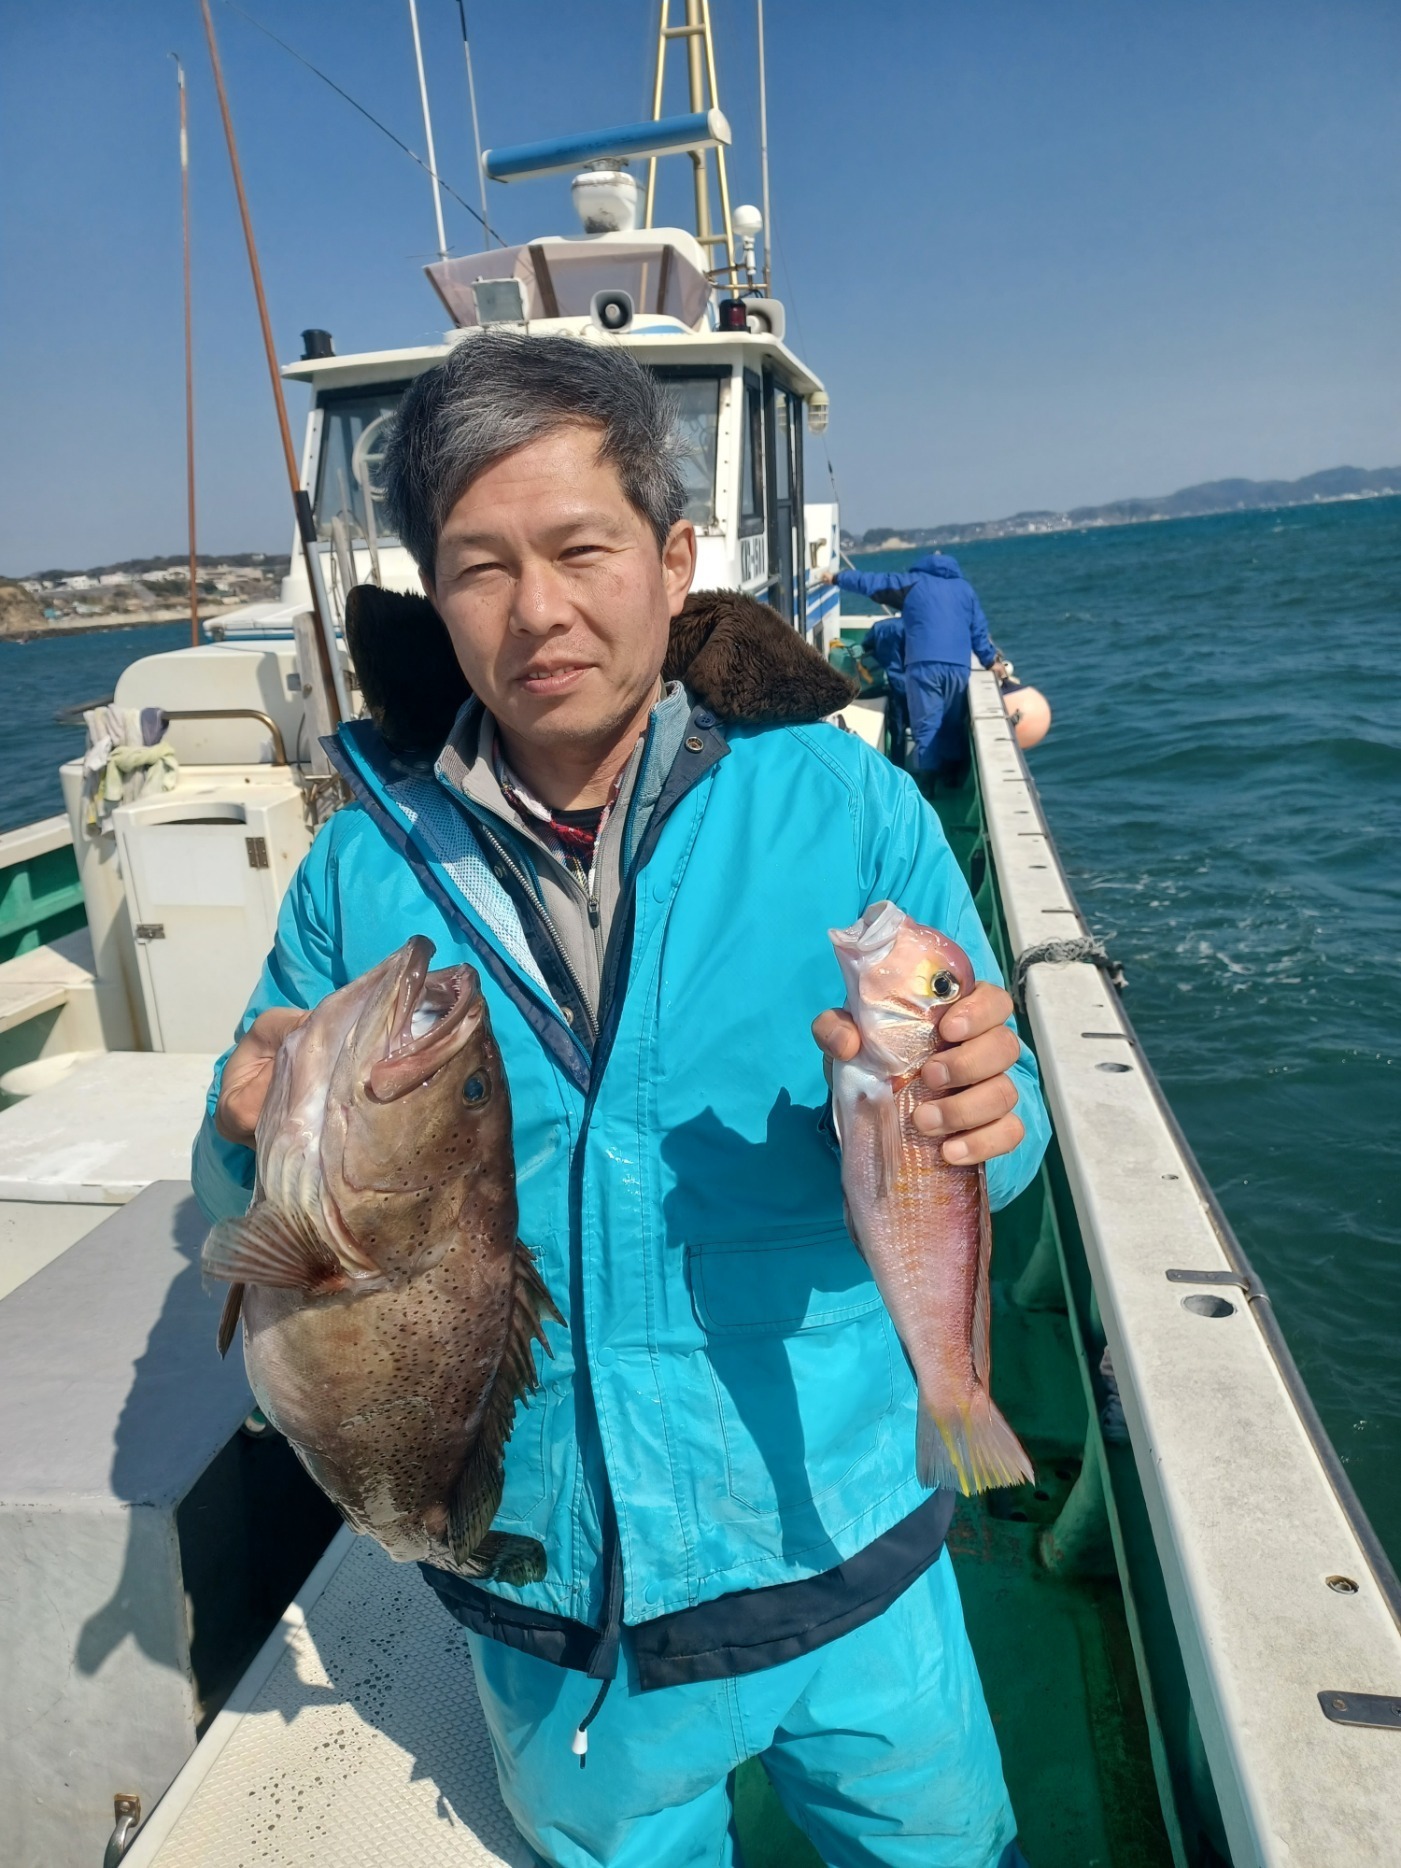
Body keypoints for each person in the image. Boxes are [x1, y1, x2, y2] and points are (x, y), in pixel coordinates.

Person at [193, 332, 1049, 1868]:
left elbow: (1008, 1116)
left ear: (672, 557)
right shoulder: (355, 871)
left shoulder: (843, 804)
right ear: (427, 594)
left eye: (583, 549)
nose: (538, 612)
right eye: (478, 568)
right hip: (557, 1609)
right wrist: (238, 1117)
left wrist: (998, 1105)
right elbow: (242, 1181)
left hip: (842, 1541)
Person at [822, 552, 1001, 786]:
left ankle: (927, 786)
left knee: (926, 726)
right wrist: (990, 661)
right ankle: (952, 779)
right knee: (951, 724)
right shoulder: (965, 590)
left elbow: (873, 583)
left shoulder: (914, 582)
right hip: (958, 667)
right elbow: (978, 630)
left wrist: (836, 578)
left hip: (924, 665)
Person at [861, 613, 908, 766]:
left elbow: (866, 646)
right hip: (913, 685)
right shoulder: (916, 628)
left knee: (897, 729)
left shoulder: (880, 626)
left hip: (889, 683)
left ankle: (897, 766)